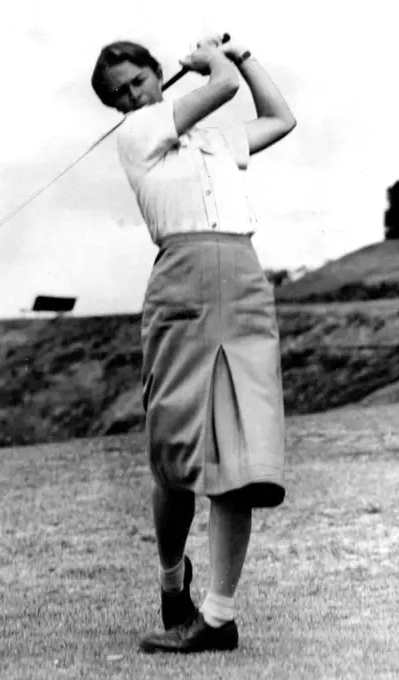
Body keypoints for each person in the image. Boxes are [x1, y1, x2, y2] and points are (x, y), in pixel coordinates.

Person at [91, 34, 296, 654]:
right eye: (120, 92)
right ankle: (170, 578)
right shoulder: (138, 132)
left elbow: (281, 118)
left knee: (241, 457)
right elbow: (223, 87)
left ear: (158, 72)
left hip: (242, 278)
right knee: (174, 453)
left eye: (140, 79)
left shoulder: (215, 138)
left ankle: (217, 616)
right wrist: (212, 59)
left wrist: (244, 55)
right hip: (180, 281)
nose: (134, 94)